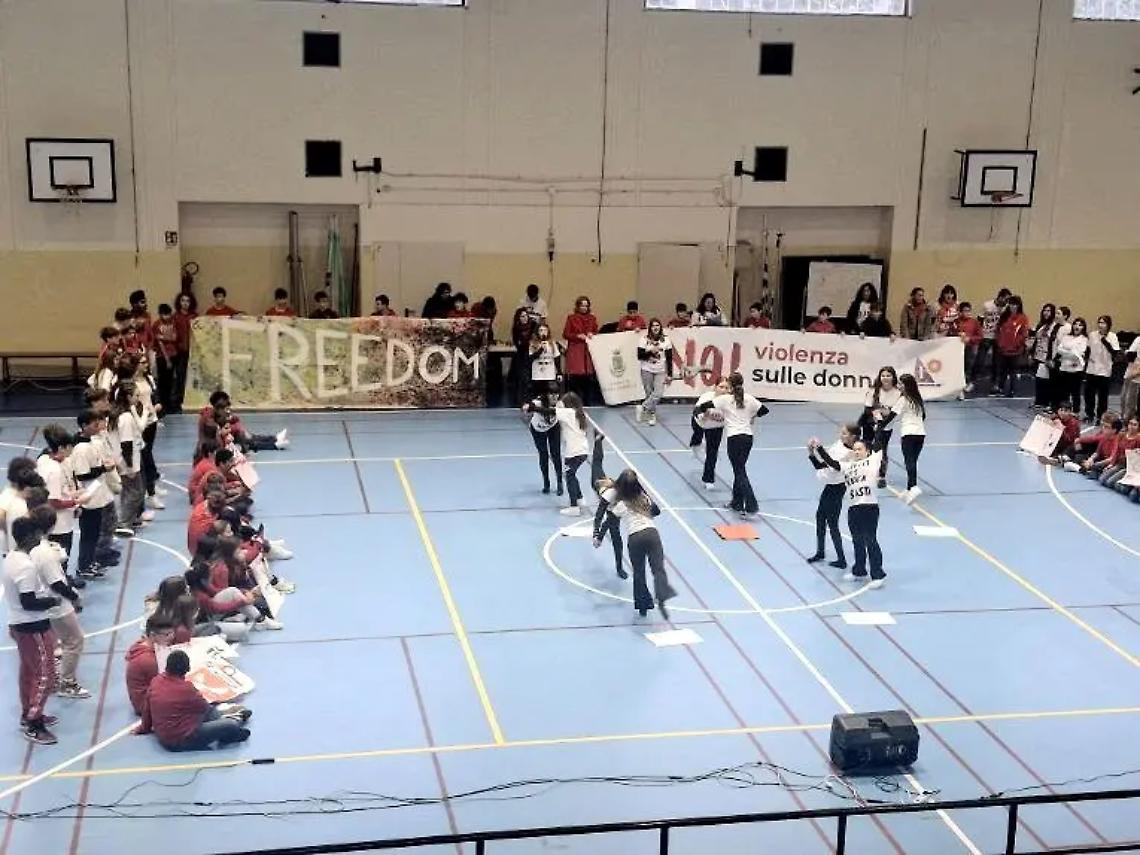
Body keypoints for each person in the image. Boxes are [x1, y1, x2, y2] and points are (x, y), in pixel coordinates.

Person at [4, 517, 62, 744]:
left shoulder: (12, 557)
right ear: (29, 537)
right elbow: (28, 602)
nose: (40, 537)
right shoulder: (26, 567)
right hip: (33, 626)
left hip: (19, 624)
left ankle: (28, 711)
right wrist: (52, 601)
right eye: (37, 533)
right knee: (45, 675)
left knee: (28, 672)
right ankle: (33, 723)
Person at [27, 506, 89, 700]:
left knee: (57, 642)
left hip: (47, 602)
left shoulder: (35, 547)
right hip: (58, 606)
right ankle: (67, 683)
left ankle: (54, 678)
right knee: (74, 640)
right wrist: (74, 597)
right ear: (52, 525)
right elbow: (57, 583)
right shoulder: (45, 553)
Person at [809, 437, 886, 588]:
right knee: (857, 540)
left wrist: (877, 425)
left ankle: (878, 575)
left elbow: (878, 441)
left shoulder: (872, 461)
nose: (856, 452)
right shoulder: (848, 466)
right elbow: (831, 463)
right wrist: (819, 448)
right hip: (853, 508)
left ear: (867, 451)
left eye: (860, 449)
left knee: (870, 540)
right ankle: (859, 570)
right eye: (855, 449)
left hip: (869, 506)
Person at [138, 650, 252, 751]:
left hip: (165, 736)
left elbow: (147, 708)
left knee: (210, 712)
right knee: (228, 724)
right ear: (187, 669)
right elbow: (204, 708)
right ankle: (233, 726)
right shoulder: (186, 689)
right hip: (183, 740)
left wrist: (144, 728)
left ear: (167, 667)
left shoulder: (156, 681)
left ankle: (230, 721)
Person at [694, 372, 769, 519]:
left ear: (730, 385)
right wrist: (751, 416)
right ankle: (737, 502)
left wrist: (700, 415)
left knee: (739, 472)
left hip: (734, 439)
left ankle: (752, 505)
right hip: (748, 438)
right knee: (739, 470)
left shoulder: (725, 399)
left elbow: (702, 407)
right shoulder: (749, 398)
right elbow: (764, 410)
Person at [604, 470, 677, 620]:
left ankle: (643, 606)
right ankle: (662, 594)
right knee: (658, 569)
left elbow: (609, 521)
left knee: (639, 573)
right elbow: (656, 511)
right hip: (652, 534)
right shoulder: (644, 498)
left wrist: (598, 535)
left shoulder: (620, 505)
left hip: (635, 537)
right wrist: (643, 492)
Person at [69, 410, 117, 580]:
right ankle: (83, 566)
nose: (98, 426)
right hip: (88, 498)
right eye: (94, 424)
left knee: (94, 533)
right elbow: (82, 474)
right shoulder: (81, 449)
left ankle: (89, 562)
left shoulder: (89, 443)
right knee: (88, 535)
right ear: (84, 426)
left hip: (95, 496)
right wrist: (104, 468)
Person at [806, 423, 858, 569]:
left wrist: (819, 448)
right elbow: (822, 465)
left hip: (837, 488)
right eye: (841, 432)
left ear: (853, 437)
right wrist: (811, 453)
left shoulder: (851, 454)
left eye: (845, 433)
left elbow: (833, 464)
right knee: (820, 519)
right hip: (829, 487)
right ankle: (820, 552)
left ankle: (841, 559)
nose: (841, 435)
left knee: (833, 524)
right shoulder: (838, 445)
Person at [35, 426, 82, 588]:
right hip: (60, 524)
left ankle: (61, 580)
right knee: (60, 559)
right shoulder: (54, 470)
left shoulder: (43, 459)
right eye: (69, 447)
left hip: (46, 521)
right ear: (61, 448)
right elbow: (53, 502)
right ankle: (61, 588)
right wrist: (75, 502)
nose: (71, 450)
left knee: (51, 560)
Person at [874, 373, 927, 505]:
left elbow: (891, 417)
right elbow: (923, 416)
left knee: (909, 461)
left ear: (906, 385)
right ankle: (909, 489)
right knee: (913, 461)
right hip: (920, 433)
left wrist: (880, 427)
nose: (899, 386)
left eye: (901, 384)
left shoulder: (903, 399)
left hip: (908, 434)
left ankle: (913, 487)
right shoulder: (917, 399)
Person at [589, 431, 625, 581]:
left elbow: (608, 522)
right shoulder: (608, 496)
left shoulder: (624, 495)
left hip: (612, 505)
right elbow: (599, 517)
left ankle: (619, 567)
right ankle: (598, 440)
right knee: (597, 462)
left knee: (617, 540)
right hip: (598, 483)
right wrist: (596, 535)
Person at [859, 367, 901, 489]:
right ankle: (865, 471)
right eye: (883, 375)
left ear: (893, 377)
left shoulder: (898, 393)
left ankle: (881, 476)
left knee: (881, 450)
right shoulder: (873, 391)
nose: (885, 378)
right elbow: (867, 409)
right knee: (867, 447)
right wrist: (874, 418)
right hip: (870, 424)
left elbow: (896, 412)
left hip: (886, 426)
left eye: (888, 375)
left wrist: (885, 417)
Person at [125, 617, 177, 715]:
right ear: (153, 635)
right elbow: (168, 683)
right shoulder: (149, 661)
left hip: (145, 698)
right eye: (166, 635)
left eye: (172, 633)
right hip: (146, 706)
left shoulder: (142, 644)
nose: (171, 637)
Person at [690, 378, 730, 490]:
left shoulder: (731, 403)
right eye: (721, 387)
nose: (724, 390)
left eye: (727, 388)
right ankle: (696, 444)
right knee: (697, 437)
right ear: (715, 387)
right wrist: (704, 416)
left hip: (715, 428)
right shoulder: (707, 398)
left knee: (712, 452)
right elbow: (696, 411)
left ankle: (708, 479)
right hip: (699, 423)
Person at [523, 391, 562, 496]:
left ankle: (559, 482)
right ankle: (546, 482)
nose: (554, 397)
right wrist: (528, 406)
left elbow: (550, 411)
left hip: (553, 427)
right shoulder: (538, 402)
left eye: (556, 394)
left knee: (556, 454)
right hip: (538, 430)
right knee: (543, 454)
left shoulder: (560, 404)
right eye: (551, 394)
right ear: (547, 395)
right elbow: (529, 407)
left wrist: (535, 409)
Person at [635, 319, 673, 427]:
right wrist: (651, 352)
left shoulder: (666, 340)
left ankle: (642, 407)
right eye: (653, 326)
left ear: (660, 327)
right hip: (647, 370)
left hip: (660, 370)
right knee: (649, 393)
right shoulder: (643, 339)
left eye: (657, 325)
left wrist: (670, 374)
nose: (655, 328)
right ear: (650, 328)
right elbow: (640, 356)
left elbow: (669, 358)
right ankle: (651, 415)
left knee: (658, 393)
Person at [562, 297, 599, 405]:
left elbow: (596, 332)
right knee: (575, 379)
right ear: (578, 306)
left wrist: (592, 334)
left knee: (588, 380)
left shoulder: (592, 318)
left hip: (588, 352)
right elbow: (566, 334)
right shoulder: (571, 318)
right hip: (576, 351)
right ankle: (574, 404)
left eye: (586, 306)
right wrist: (577, 336)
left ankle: (588, 404)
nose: (584, 308)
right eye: (582, 305)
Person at [1084, 316, 1120, 423]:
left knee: (1102, 396)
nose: (1100, 325)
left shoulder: (1112, 336)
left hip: (1104, 370)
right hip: (1092, 369)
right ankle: (1089, 414)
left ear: (1108, 325)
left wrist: (1105, 341)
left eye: (1103, 323)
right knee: (1089, 394)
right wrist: (1086, 360)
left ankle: (1101, 416)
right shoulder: (1092, 334)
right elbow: (1088, 349)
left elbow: (1115, 352)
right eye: (1099, 322)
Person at [993, 295, 1030, 398]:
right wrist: (1000, 343)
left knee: (1013, 371)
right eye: (1011, 304)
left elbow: (1023, 334)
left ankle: (1012, 390)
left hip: (1015, 350)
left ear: (1019, 305)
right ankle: (1000, 388)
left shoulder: (1023, 318)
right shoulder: (1004, 317)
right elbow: (998, 331)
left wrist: (1017, 344)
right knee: (1002, 370)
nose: (1012, 306)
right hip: (1003, 349)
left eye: (1015, 304)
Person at [976, 287, 1011, 389]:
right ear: (1000, 297)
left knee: (997, 361)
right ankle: (973, 380)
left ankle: (994, 383)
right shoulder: (987, 305)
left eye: (1008, 300)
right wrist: (979, 334)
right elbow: (980, 319)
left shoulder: (1006, 308)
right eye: (1005, 299)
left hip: (998, 337)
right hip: (986, 335)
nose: (1006, 302)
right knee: (980, 359)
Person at [1029, 303, 1062, 409]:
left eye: (1048, 311)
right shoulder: (1041, 325)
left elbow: (1053, 342)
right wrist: (1032, 354)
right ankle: (1039, 401)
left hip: (1048, 356)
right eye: (1044, 310)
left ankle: (1047, 402)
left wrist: (1051, 358)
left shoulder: (1054, 326)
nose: (1046, 313)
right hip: (1038, 354)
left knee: (1047, 381)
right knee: (1039, 379)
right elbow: (1036, 340)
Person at [1054, 317, 1089, 414]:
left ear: (1083, 327)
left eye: (1080, 325)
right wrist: (1071, 352)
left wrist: (1067, 352)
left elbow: (1078, 354)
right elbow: (1059, 349)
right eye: (1075, 324)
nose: (1077, 326)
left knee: (1075, 393)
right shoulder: (1066, 337)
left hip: (1076, 371)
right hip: (1064, 368)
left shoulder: (1084, 339)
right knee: (1063, 392)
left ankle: (1075, 412)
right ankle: (1064, 411)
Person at [170, 291, 197, 413]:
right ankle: (178, 401)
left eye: (187, 301)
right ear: (179, 302)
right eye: (183, 300)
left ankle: (191, 400)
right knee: (180, 377)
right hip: (180, 352)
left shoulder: (195, 316)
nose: (185, 303)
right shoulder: (175, 317)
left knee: (192, 377)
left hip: (193, 352)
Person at [527, 322, 562, 398]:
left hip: (549, 373)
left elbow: (557, 357)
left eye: (545, 330)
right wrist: (541, 349)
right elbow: (531, 358)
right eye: (541, 330)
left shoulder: (552, 343)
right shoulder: (533, 343)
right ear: (537, 332)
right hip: (538, 373)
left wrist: (559, 372)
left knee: (549, 394)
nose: (543, 332)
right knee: (538, 395)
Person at [957, 302, 983, 397]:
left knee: (968, 366)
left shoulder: (974, 322)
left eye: (969, 311)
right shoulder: (956, 322)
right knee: (958, 367)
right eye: (965, 311)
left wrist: (970, 339)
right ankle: (958, 386)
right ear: (960, 312)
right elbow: (950, 333)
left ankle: (967, 384)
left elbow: (980, 336)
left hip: (970, 347)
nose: (967, 313)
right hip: (957, 349)